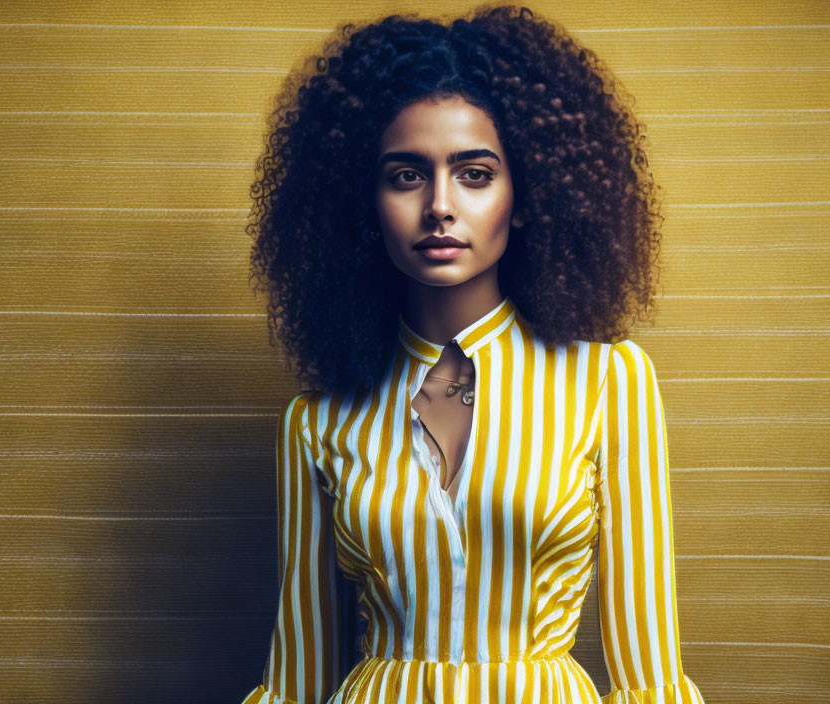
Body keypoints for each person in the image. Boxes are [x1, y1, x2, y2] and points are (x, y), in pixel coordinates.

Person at [242, 4, 706, 703]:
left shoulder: (609, 383)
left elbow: (651, 677)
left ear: (525, 197)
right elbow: (297, 680)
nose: (439, 206)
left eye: (475, 174)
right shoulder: (317, 423)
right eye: (405, 175)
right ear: (363, 204)